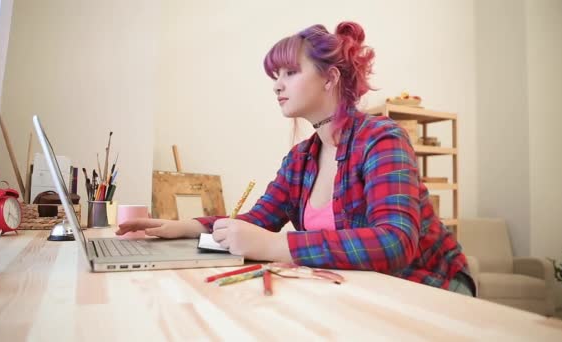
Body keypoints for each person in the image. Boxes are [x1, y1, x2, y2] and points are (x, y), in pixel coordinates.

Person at [116, 21, 475, 296]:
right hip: (365, 288)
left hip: (429, 286)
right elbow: (259, 219)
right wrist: (184, 227)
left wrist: (275, 245)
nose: (277, 85)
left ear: (330, 78)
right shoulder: (300, 159)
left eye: (290, 72)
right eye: (276, 76)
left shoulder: (382, 139)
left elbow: (394, 242)